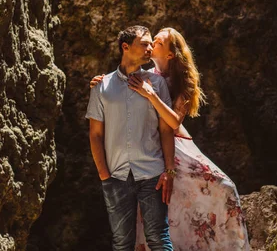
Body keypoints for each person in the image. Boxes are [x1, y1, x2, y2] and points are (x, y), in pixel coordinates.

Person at [92, 27, 250, 250]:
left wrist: (151, 95)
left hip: (177, 146)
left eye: (157, 42)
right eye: (149, 41)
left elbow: (174, 122)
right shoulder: (146, 75)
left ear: (170, 54)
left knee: (224, 186)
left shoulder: (181, 81)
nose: (151, 44)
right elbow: (118, 84)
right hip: (148, 147)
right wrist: (101, 82)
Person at [86, 25, 177, 251]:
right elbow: (95, 135)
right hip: (115, 176)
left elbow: (167, 130)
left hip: (152, 173)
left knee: (158, 239)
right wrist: (104, 175)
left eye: (151, 44)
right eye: (144, 44)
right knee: (122, 243)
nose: (149, 48)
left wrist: (168, 170)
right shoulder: (102, 86)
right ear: (126, 47)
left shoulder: (157, 84)